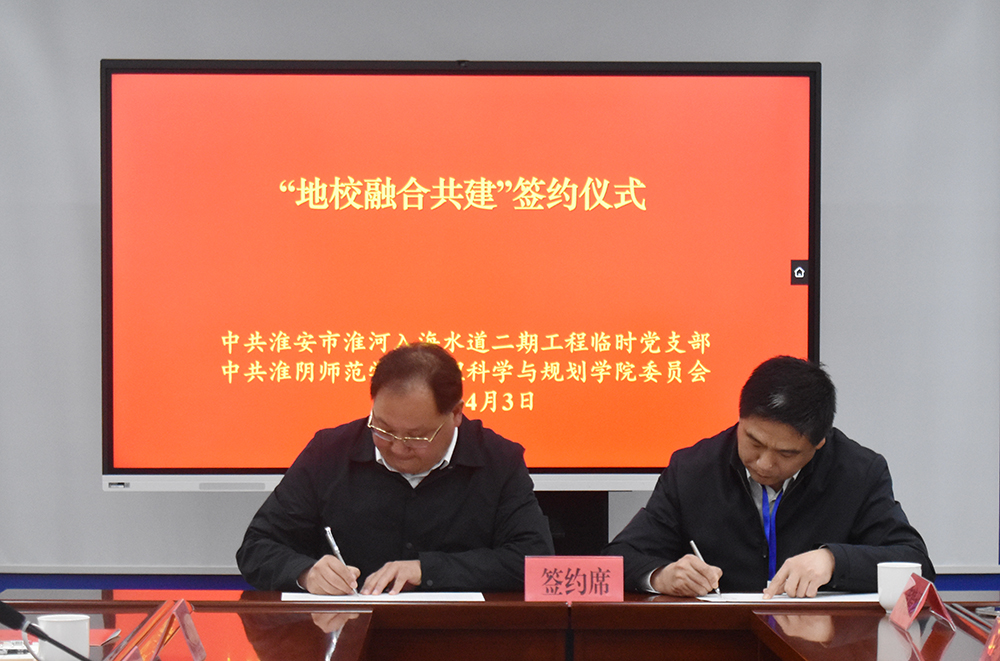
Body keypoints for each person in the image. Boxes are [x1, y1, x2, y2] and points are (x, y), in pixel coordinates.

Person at [237, 342, 554, 595]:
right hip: (346, 633)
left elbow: (533, 562)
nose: (398, 448)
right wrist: (305, 573)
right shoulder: (329, 452)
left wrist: (427, 570)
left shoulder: (498, 460)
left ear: (456, 413)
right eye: (383, 429)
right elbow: (257, 547)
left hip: (459, 637)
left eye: (417, 437)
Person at [603, 355, 934, 598]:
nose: (764, 463)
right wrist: (661, 576)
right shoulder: (693, 470)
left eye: (786, 454)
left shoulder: (858, 472)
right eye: (754, 442)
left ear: (819, 442)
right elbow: (617, 558)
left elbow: (916, 564)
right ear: (740, 418)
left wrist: (832, 560)